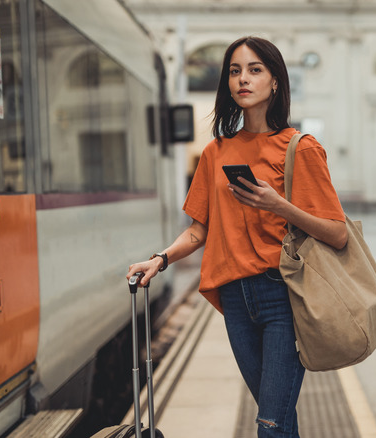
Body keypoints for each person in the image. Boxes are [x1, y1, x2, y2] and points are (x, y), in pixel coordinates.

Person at [126, 36, 347, 437]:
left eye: (254, 69)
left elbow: (338, 234)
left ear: (276, 81)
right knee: (277, 418)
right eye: (234, 71)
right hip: (235, 300)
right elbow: (198, 231)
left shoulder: (300, 148)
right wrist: (159, 260)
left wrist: (278, 205)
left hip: (283, 297)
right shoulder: (216, 152)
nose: (242, 79)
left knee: (269, 424)